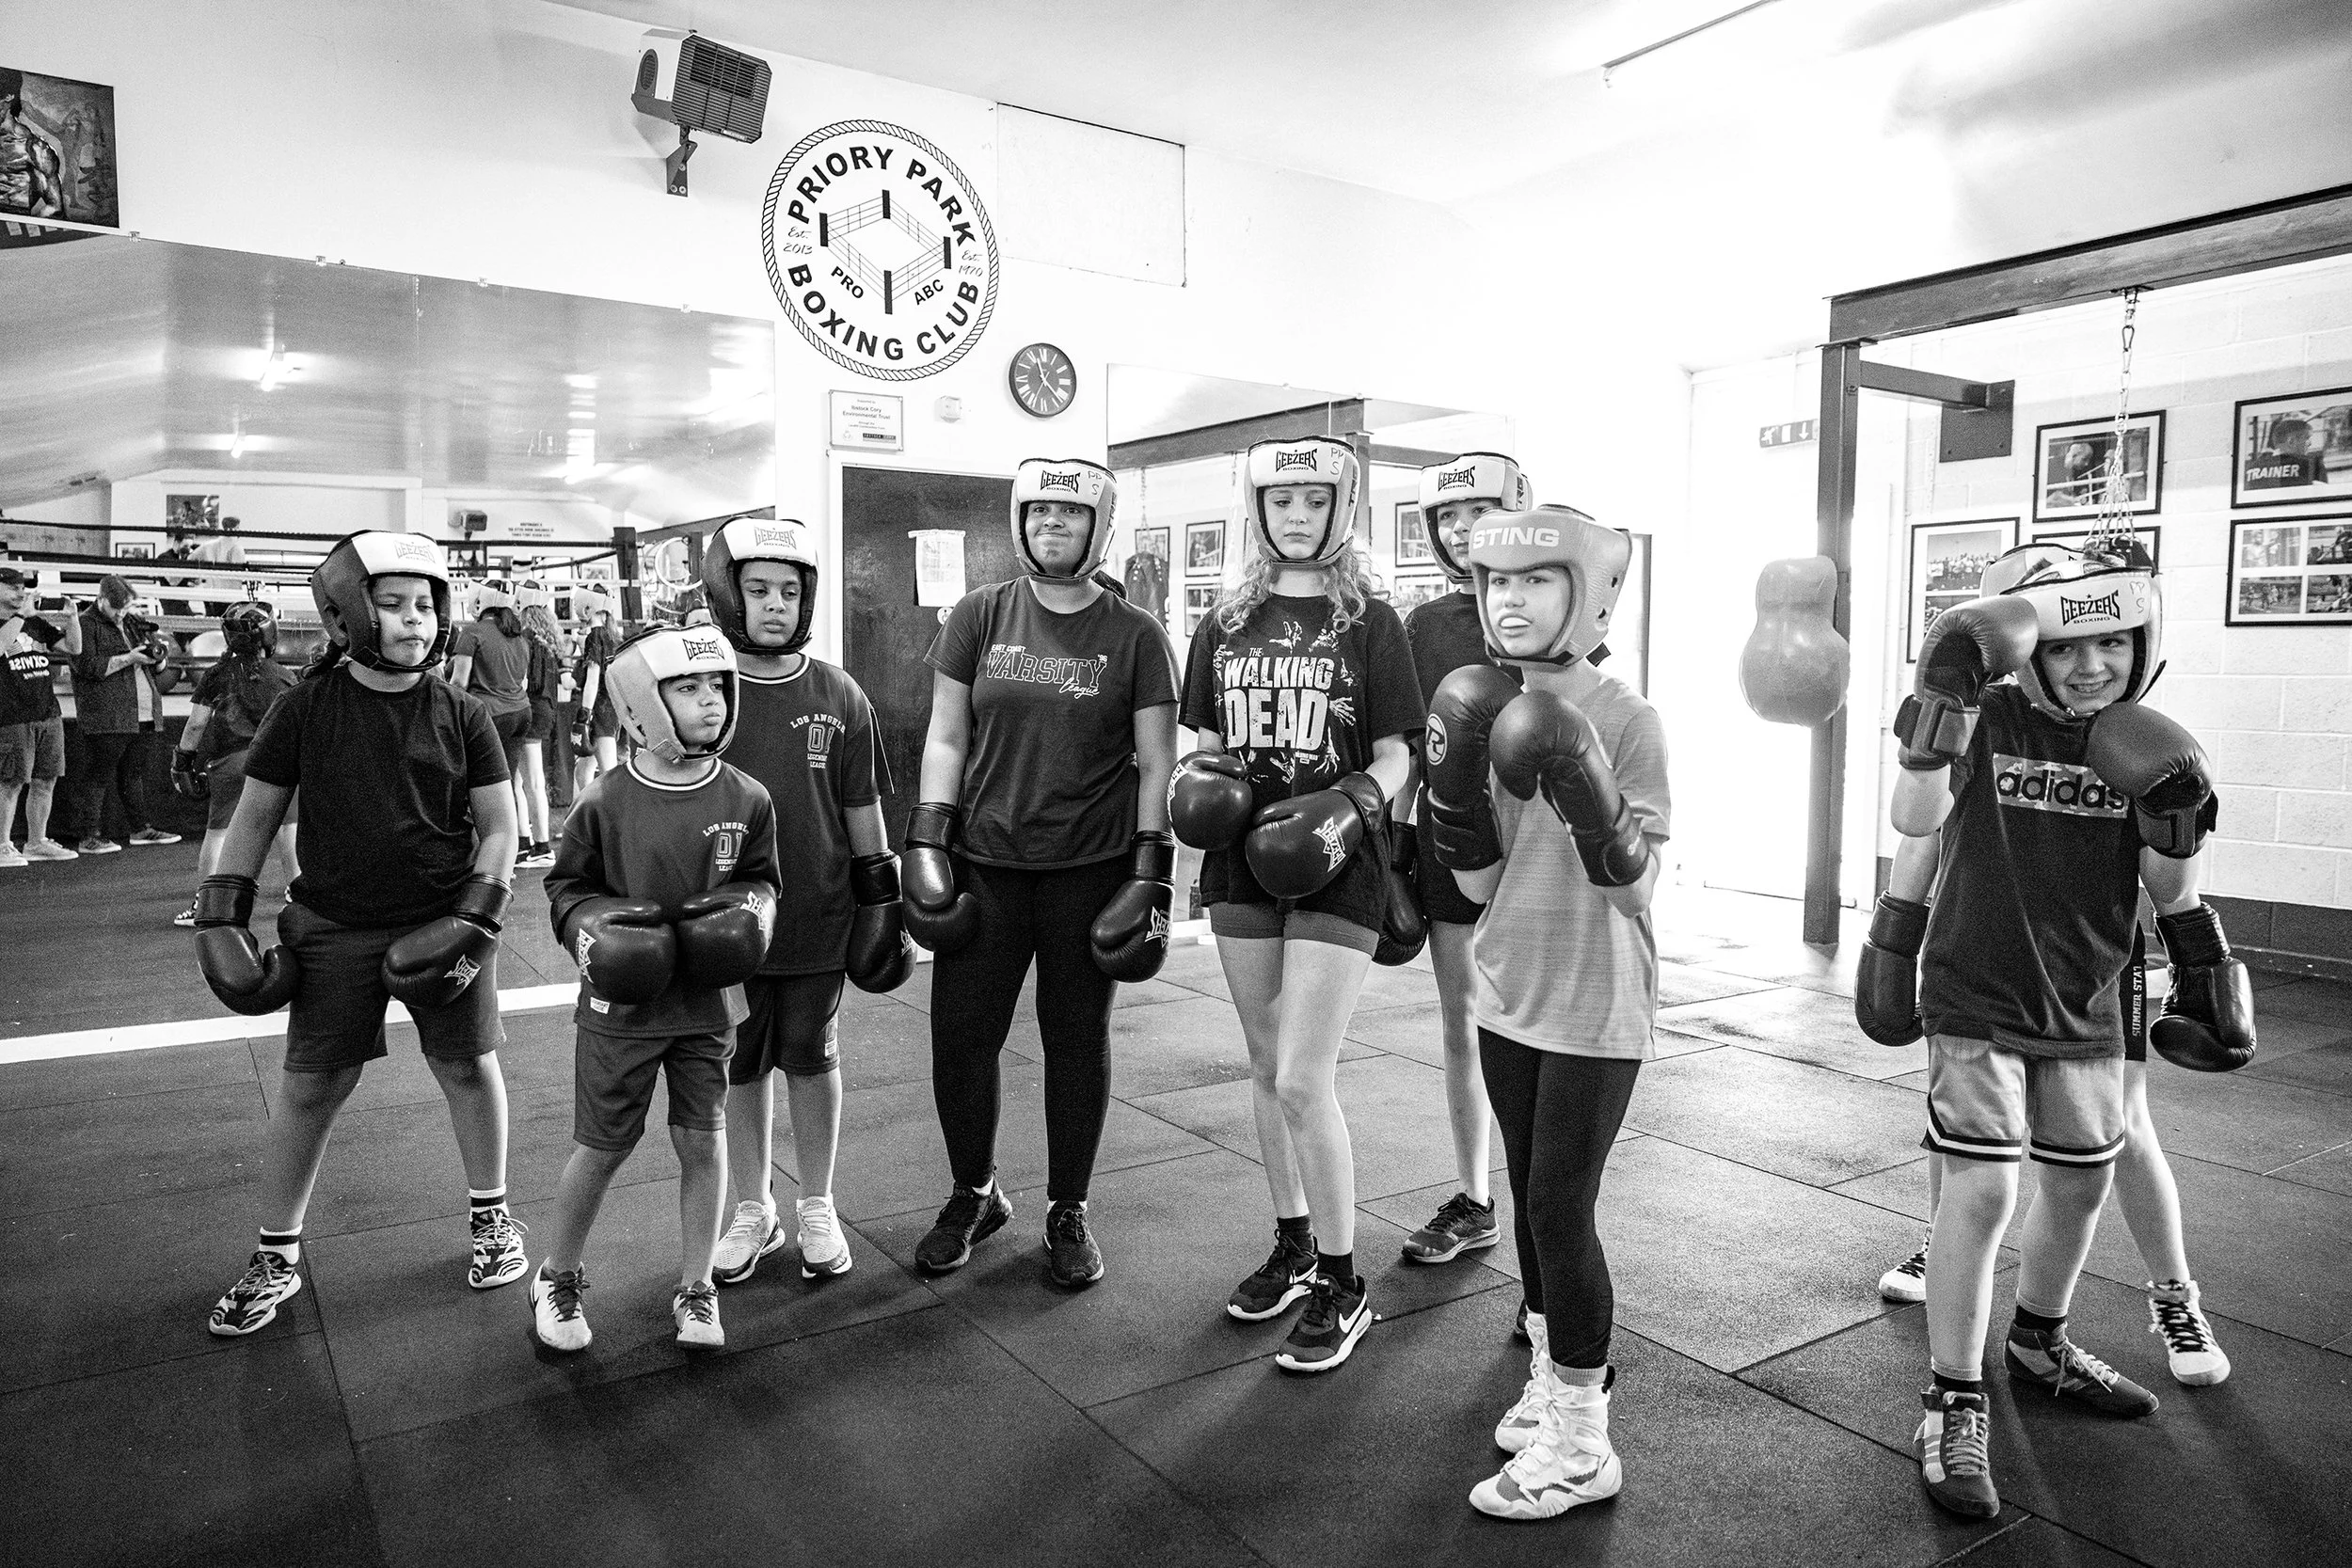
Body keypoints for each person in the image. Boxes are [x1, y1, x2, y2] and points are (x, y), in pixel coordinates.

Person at [1875, 540, 2253, 1519]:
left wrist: (2205, 963)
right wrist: (1941, 707)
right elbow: (1912, 814)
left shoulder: (2148, 742)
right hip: (1975, 991)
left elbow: (2172, 881)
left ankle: (2038, 1338)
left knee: (2083, 1179)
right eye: (2068, 646)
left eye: (2114, 644)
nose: (2092, 665)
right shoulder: (1987, 717)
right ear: (2025, 646)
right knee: (1985, 1185)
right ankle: (1952, 1395)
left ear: (2143, 645)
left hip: (2087, 997)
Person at [196, 531, 524, 1337]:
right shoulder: (303, 707)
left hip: (444, 918)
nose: (416, 621)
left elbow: (500, 827)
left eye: (426, 605)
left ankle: (492, 1218)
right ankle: (277, 1253)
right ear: (347, 613)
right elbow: (255, 816)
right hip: (334, 925)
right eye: (394, 604)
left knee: (468, 1067)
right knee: (311, 1084)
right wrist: (220, 913)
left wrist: (478, 914)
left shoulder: (462, 711)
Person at [1415, 506, 1661, 1518]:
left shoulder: (1627, 715)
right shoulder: (1478, 702)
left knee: (1562, 1205)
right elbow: (1473, 889)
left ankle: (1583, 1436)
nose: (1509, 600)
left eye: (1535, 581)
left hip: (1596, 999)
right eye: (1496, 582)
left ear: (1588, 593)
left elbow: (1638, 890)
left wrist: (1578, 779)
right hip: (1507, 986)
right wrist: (1455, 790)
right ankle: (1551, 1380)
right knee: (1524, 1196)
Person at [1171, 437, 1421, 1371]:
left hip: (1335, 863)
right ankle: (1289, 1239)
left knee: (1304, 1077)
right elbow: (1199, 738)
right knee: (1265, 1060)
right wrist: (1199, 786)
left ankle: (1342, 1278)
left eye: (1314, 500)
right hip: (1240, 865)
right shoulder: (1223, 621)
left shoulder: (1372, 622)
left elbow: (1398, 754)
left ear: (1340, 508)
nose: (1296, 515)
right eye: (1281, 500)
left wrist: (1349, 803)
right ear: (1257, 508)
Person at [903, 458, 1180, 1289]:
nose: (1052, 524)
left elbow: (1157, 762)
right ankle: (974, 1194)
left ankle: (1070, 1207)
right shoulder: (980, 614)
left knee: (1074, 1041)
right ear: (1020, 521)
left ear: (1098, 529)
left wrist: (1151, 868)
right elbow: (946, 736)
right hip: (985, 862)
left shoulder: (1136, 635)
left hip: (1088, 870)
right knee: (960, 1037)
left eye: (1070, 513)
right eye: (1040, 512)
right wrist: (926, 839)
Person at [532, 625, 781, 1352]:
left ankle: (697, 1286)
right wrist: (591, 930)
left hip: (707, 1008)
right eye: (688, 687)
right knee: (603, 1146)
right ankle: (557, 1274)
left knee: (702, 1142)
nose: (711, 702)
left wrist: (753, 915)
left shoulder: (747, 795)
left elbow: (764, 880)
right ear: (642, 701)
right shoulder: (604, 799)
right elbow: (563, 887)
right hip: (621, 1010)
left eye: (718, 687)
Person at [694, 517, 907, 1289]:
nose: (776, 605)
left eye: (789, 591)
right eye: (758, 590)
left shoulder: (838, 692)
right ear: (728, 594)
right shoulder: (703, 687)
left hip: (818, 914)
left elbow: (860, 806)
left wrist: (882, 892)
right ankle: (753, 1205)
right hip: (726, 922)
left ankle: (816, 1199)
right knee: (739, 1067)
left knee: (812, 1059)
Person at [1393, 454, 1534, 1274]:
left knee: (1540, 1033)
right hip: (1452, 840)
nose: (1459, 530)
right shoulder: (1427, 626)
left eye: (1476, 510)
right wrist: (1398, 839)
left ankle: (1543, 1219)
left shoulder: (1551, 602)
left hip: (1541, 846)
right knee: (1463, 1023)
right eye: (1446, 517)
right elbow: (1416, 747)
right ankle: (1475, 1198)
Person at [169, 602, 300, 925]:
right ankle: (299, 895)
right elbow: (300, 722)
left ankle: (207, 904)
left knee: (218, 833)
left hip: (232, 763)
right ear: (269, 634)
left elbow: (196, 724)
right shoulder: (284, 676)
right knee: (289, 826)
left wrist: (182, 761)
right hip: (277, 761)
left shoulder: (216, 674)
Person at [68, 574, 180, 854]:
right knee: (98, 774)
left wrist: (158, 657)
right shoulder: (84, 624)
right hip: (107, 713)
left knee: (133, 773)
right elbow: (86, 667)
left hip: (142, 711)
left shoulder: (131, 622)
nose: (121, 613)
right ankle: (89, 836)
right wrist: (130, 658)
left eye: (126, 607)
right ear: (101, 599)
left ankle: (141, 828)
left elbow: (158, 667)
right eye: (116, 608)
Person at [447, 580, 541, 865]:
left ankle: (481, 859)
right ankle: (506, 859)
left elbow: (458, 683)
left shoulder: (472, 632)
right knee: (507, 784)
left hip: (489, 716)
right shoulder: (520, 638)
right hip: (521, 713)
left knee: (478, 787)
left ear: (480, 603)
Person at [1, 565, 83, 865]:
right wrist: (22, 614)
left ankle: (36, 842)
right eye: (12, 588)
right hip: (10, 715)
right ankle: (2, 845)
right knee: (9, 782)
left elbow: (74, 647)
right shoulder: (19, 619)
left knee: (46, 779)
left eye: (22, 588)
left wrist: (73, 618)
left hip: (47, 712)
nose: (20, 593)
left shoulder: (35, 623)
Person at [515, 601, 564, 867]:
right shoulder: (549, 643)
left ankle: (541, 846)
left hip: (530, 707)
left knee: (529, 781)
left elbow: (521, 680)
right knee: (527, 780)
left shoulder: (527, 641)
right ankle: (528, 842)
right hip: (546, 709)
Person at [571, 599, 623, 794]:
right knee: (583, 771)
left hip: (599, 710)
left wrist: (585, 714)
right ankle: (587, 816)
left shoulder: (595, 635)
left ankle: (613, 821)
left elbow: (593, 679)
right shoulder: (613, 635)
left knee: (607, 773)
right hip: (611, 707)